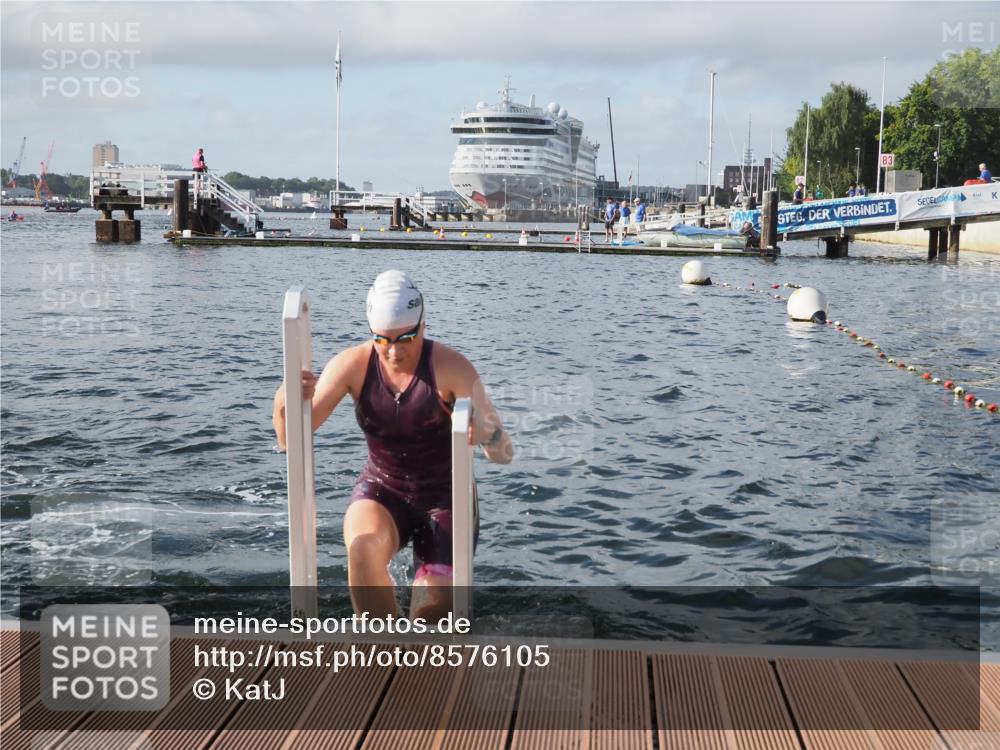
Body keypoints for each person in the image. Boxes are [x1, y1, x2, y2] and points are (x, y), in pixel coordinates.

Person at [272, 270, 513, 620]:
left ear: (423, 325)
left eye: (406, 338)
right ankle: (382, 646)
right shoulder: (353, 365)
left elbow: (504, 453)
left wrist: (488, 434)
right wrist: (284, 400)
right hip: (383, 489)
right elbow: (289, 440)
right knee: (362, 552)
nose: (395, 351)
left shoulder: (452, 368)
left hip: (446, 499)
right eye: (382, 340)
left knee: (430, 615)